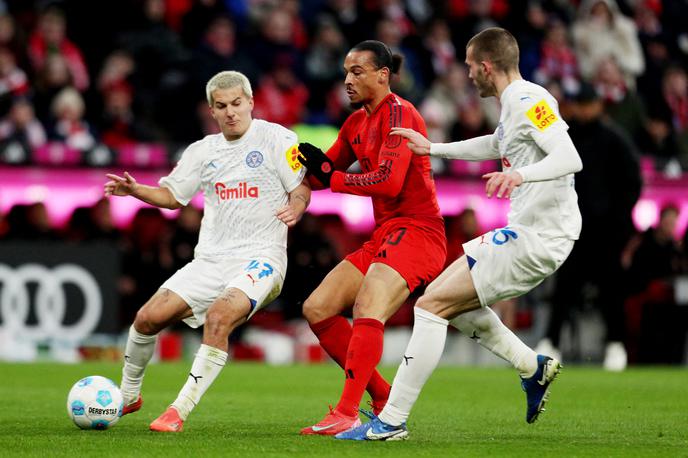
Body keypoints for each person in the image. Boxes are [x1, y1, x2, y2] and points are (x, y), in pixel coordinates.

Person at [337, 27, 583, 441]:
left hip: (542, 236)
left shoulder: (530, 100)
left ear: (486, 66)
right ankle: (532, 367)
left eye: (471, 66)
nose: (468, 74)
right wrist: (432, 149)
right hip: (528, 231)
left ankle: (391, 422)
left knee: (430, 306)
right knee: (452, 302)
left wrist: (519, 174)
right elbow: (496, 143)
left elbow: (569, 157)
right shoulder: (515, 104)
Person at [104, 70, 310, 432]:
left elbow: (301, 186)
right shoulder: (202, 151)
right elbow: (172, 197)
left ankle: (177, 411)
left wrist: (297, 206)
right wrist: (137, 191)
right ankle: (128, 395)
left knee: (218, 317)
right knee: (146, 318)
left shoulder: (278, 138)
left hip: (262, 258)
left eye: (236, 104)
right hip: (211, 260)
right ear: (211, 111)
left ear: (250, 102)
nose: (230, 112)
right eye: (221, 106)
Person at [296, 40, 447, 436]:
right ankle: (381, 396)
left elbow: (389, 181)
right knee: (318, 308)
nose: (347, 80)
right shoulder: (355, 122)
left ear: (383, 75)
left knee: (367, 306)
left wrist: (334, 177)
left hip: (418, 231)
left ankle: (346, 411)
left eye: (357, 72)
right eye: (346, 72)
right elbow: (323, 174)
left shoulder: (402, 115)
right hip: (385, 234)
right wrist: (293, 165)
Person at [535, 82, 642, 371]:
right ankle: (550, 343)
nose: (582, 109)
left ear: (598, 105)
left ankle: (616, 346)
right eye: (579, 104)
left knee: (612, 292)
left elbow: (632, 185)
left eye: (587, 104)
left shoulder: (615, 140)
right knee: (564, 289)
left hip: (606, 233)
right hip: (572, 229)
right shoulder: (569, 138)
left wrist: (617, 221)